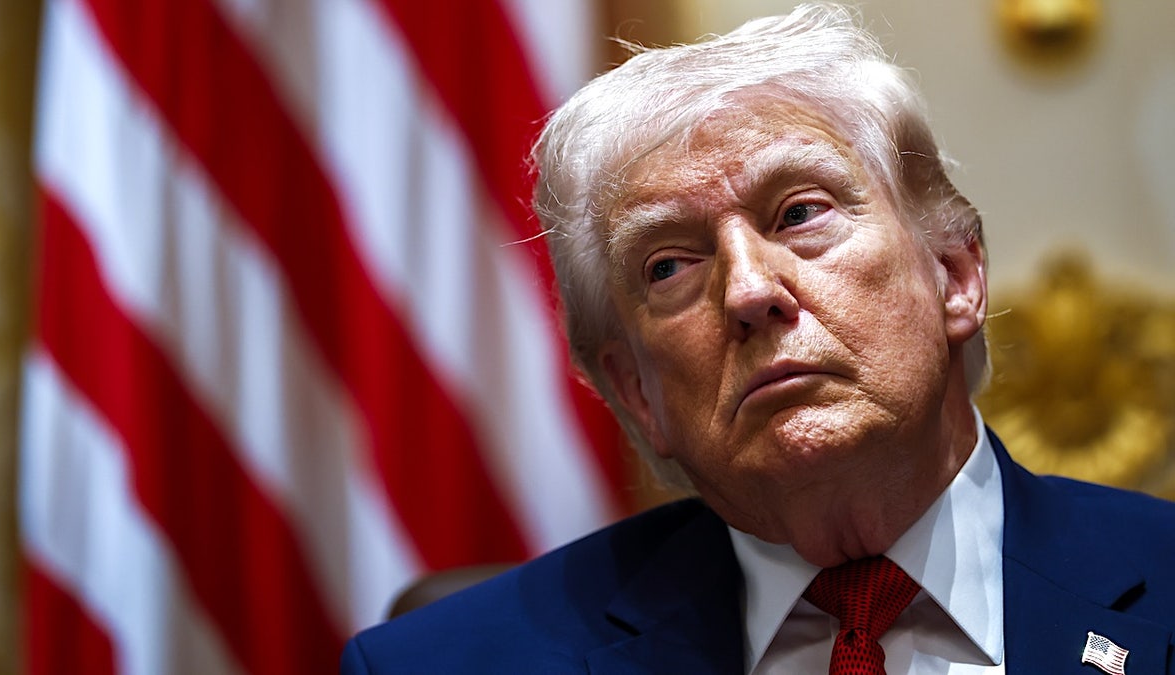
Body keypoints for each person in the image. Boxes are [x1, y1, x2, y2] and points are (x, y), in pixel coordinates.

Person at [341, 4, 1175, 673]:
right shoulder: (438, 663)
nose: (746, 290)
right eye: (668, 265)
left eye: (801, 213)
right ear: (635, 390)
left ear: (954, 274)